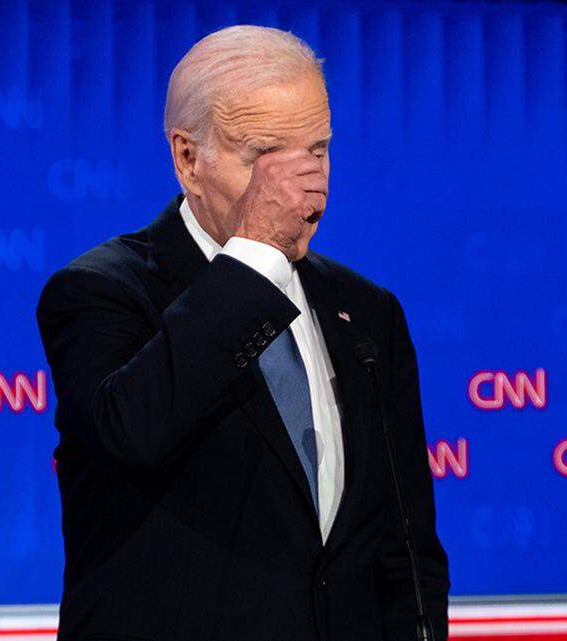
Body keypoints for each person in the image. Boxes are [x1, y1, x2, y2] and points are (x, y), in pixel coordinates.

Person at [36, 24, 449, 641]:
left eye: (317, 151)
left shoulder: (366, 311)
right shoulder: (99, 292)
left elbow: (405, 546)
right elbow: (135, 432)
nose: (304, 186)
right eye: (264, 158)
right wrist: (256, 256)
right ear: (187, 158)